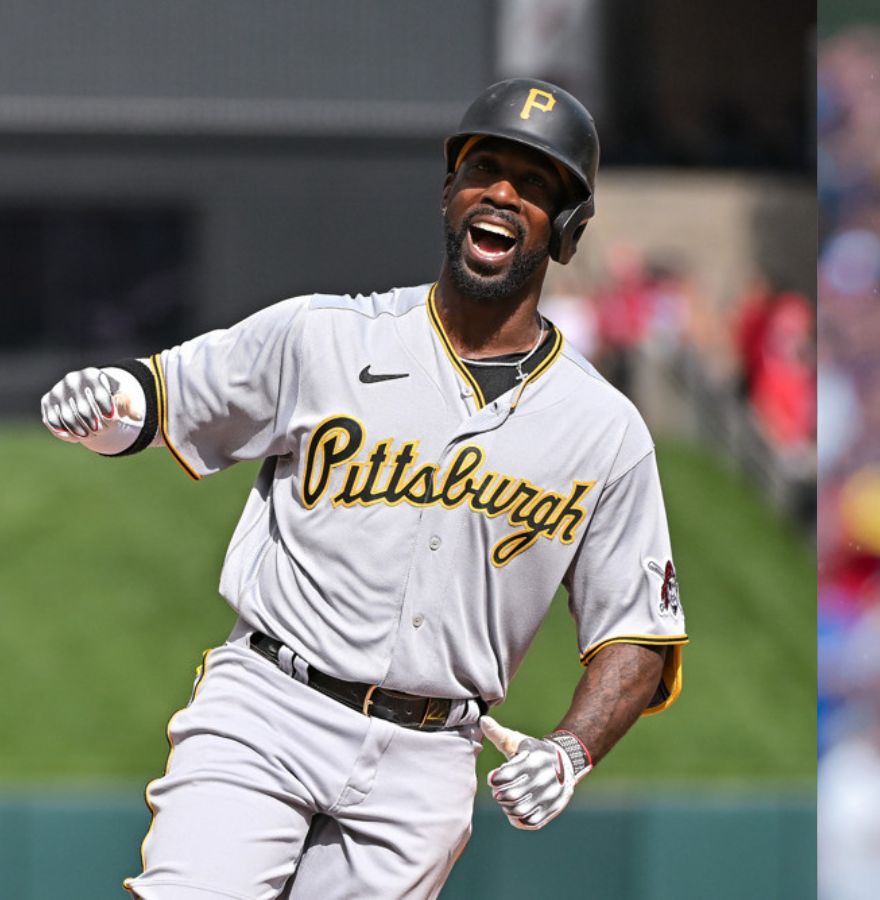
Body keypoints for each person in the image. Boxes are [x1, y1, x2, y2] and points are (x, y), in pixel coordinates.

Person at [39, 77, 688, 899]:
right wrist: (108, 403)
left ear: (566, 228)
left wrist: (573, 747)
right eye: (485, 168)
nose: (502, 192)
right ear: (450, 192)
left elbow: (638, 631)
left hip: (428, 759)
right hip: (270, 705)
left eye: (535, 184)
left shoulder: (605, 428)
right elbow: (164, 398)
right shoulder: (324, 336)